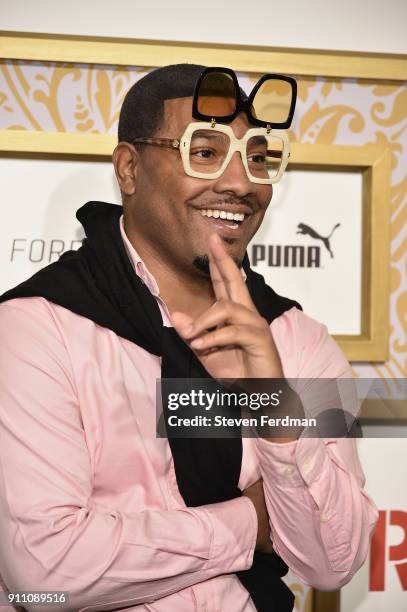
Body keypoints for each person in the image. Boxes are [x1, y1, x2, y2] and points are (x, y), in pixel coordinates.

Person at [0, 64, 378, 612]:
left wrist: (275, 407)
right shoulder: (37, 326)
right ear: (129, 169)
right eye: (205, 152)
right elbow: (44, 574)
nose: (242, 184)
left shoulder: (297, 339)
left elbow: (333, 562)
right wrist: (249, 522)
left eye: (257, 158)